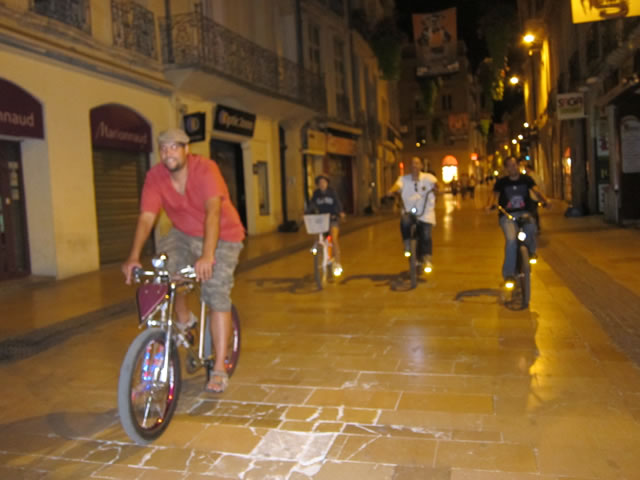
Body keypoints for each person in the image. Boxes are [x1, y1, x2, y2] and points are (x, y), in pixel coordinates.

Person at [122, 128, 245, 394]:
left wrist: (208, 255)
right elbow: (146, 217)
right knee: (164, 273)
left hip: (223, 235)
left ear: (186, 150)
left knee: (215, 293)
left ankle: (220, 369)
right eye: (164, 148)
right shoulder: (155, 177)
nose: (168, 153)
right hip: (183, 234)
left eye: (174, 147)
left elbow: (213, 212)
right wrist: (133, 256)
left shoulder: (205, 170)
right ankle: (184, 319)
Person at [486, 156, 549, 286]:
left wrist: (545, 201)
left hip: (524, 213)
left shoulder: (526, 179)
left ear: (518, 166)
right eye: (509, 166)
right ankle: (509, 274)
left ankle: (531, 252)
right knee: (511, 241)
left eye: (514, 165)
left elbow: (536, 191)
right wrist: (489, 205)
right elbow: (494, 195)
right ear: (506, 168)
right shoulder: (502, 182)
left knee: (531, 228)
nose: (512, 168)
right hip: (507, 215)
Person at [387, 156, 438, 273]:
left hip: (426, 212)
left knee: (426, 234)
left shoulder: (428, 177)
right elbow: (397, 186)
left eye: (417, 163)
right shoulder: (403, 179)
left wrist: (437, 188)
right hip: (409, 211)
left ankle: (427, 257)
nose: (414, 165)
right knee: (405, 221)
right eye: (412, 163)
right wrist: (392, 190)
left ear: (421, 166)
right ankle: (407, 244)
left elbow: (436, 184)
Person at [308, 175, 346, 272]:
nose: (322, 184)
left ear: (327, 183)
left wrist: (340, 212)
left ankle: (337, 263)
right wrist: (306, 213)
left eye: (324, 182)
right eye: (320, 183)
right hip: (322, 219)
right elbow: (312, 204)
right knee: (316, 230)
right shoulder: (316, 194)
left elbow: (337, 203)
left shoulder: (332, 192)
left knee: (333, 238)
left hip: (332, 218)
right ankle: (316, 245)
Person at [519, 159, 543, 231]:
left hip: (531, 197)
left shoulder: (529, 177)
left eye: (526, 169)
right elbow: (541, 186)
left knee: (532, 212)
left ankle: (535, 226)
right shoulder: (537, 176)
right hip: (536, 197)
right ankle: (537, 225)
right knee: (534, 211)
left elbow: (535, 187)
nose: (525, 171)